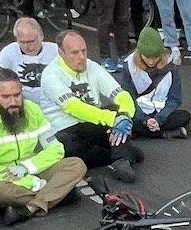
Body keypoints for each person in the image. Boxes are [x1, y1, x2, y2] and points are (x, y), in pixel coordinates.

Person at [0, 70, 88, 221]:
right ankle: (56, 196)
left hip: (29, 170)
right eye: (5, 97)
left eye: (17, 95)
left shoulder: (33, 110)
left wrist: (27, 168)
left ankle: (29, 208)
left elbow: (56, 149)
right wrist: (33, 183)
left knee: (76, 165)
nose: (13, 102)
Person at [33, 30, 139, 184]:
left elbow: (121, 94)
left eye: (84, 51)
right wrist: (112, 120)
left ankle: (120, 158)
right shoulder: (51, 74)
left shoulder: (92, 66)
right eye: (74, 53)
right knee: (66, 147)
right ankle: (121, 152)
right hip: (65, 128)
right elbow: (73, 107)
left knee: (116, 110)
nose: (81, 57)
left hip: (92, 124)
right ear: (61, 53)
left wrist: (123, 115)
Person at [118, 31, 191, 140]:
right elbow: (128, 97)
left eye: (155, 57)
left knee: (185, 116)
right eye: (147, 57)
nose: (151, 61)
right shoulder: (128, 66)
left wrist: (159, 119)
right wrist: (144, 119)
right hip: (138, 111)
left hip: (161, 112)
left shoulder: (171, 67)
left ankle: (140, 132)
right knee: (119, 115)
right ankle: (164, 134)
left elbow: (174, 99)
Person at [0, 14, 61, 92]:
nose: (27, 47)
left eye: (31, 41)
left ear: (41, 36)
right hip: (21, 99)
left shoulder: (55, 50)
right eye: (22, 42)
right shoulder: (11, 50)